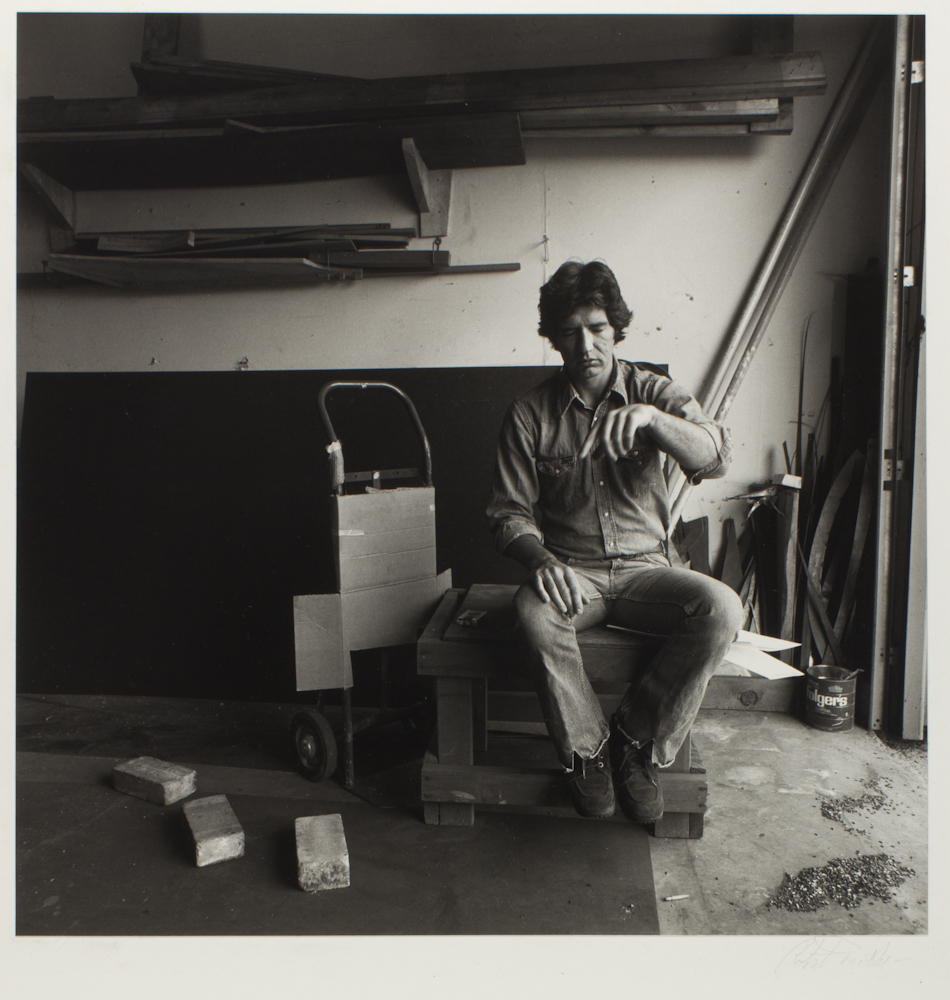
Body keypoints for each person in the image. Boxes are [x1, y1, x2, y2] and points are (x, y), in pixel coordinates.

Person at [486, 260, 745, 823]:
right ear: (554, 338)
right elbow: (507, 514)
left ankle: (635, 741)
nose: (586, 345)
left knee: (722, 608)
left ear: (616, 329)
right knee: (531, 612)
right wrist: (542, 561)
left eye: (597, 328)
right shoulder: (529, 414)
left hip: (648, 571)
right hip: (573, 574)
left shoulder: (652, 391)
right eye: (571, 331)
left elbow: (716, 457)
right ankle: (588, 752)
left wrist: (652, 420)